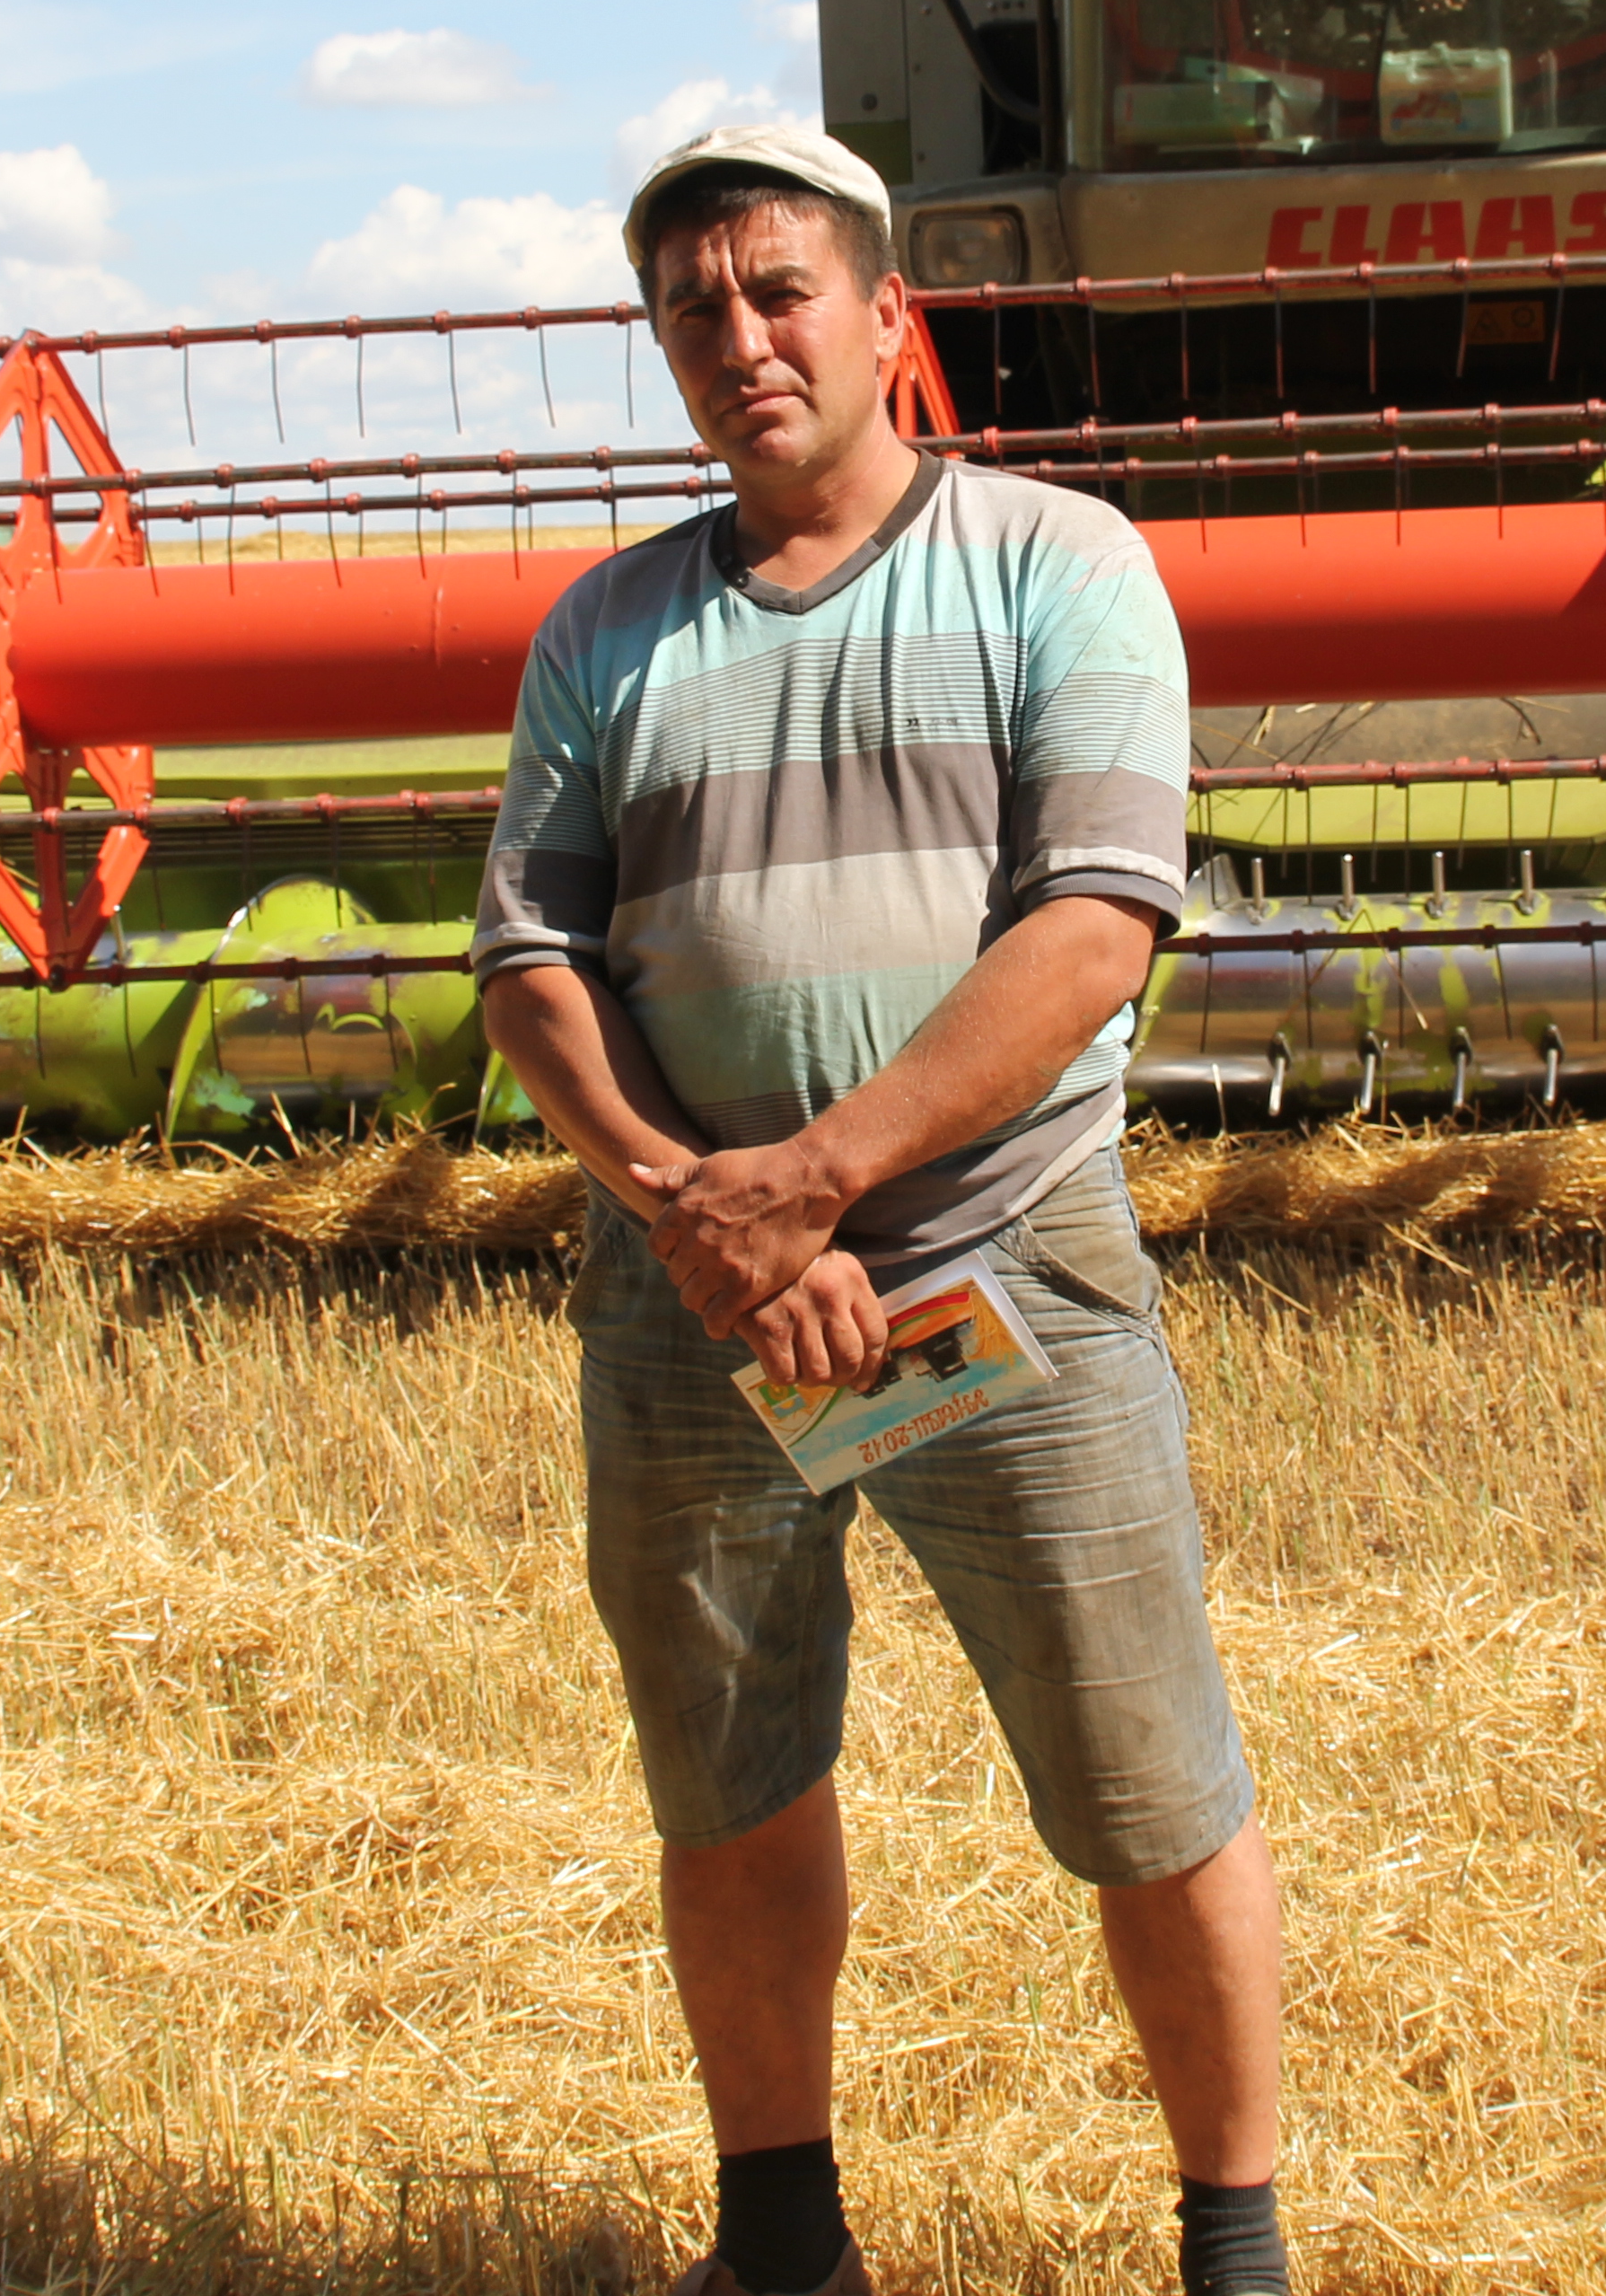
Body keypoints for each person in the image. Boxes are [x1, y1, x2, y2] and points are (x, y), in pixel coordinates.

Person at [472, 127, 1292, 2296]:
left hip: (987, 1271)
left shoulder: (1057, 563)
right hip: (695, 1309)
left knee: (1141, 1775)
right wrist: (691, 1212)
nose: (738, 338)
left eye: (778, 291)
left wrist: (823, 1186)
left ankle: (1235, 2246)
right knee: (729, 1777)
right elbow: (529, 959)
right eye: (691, 311)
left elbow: (1096, 923)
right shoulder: (608, 630)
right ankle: (784, 2244)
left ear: (887, 317)